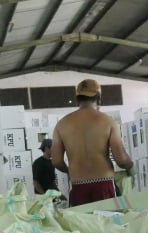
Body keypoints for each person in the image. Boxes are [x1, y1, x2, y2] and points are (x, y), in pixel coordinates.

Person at [51, 79, 134, 207]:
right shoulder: (108, 122)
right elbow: (121, 160)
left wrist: (70, 170)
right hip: (104, 185)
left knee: (82, 226)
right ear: (99, 98)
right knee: (107, 224)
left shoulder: (61, 125)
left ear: (77, 99)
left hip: (78, 187)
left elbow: (56, 161)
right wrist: (131, 165)